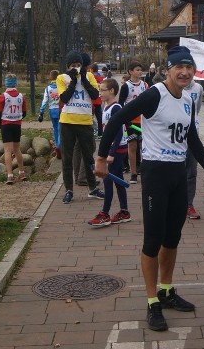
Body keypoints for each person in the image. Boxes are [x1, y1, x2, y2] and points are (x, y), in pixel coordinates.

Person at [95, 46, 204, 332]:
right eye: (179, 67)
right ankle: (152, 301)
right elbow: (117, 119)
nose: (185, 72)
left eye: (189, 68)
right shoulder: (155, 95)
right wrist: (102, 157)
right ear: (168, 69)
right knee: (153, 240)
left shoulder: (189, 97)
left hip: (177, 173)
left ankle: (167, 290)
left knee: (173, 237)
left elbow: (190, 135)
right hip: (155, 173)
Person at [57, 51, 103, 204]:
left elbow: (95, 95)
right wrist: (72, 81)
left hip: (85, 122)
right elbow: (64, 97)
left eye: (78, 65)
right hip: (67, 122)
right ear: (67, 67)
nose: (76, 68)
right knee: (67, 158)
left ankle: (92, 188)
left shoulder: (89, 76)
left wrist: (83, 79)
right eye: (73, 66)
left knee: (89, 156)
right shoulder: (61, 78)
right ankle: (69, 190)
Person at [87, 78, 131, 227]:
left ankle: (105, 214)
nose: (100, 93)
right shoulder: (106, 107)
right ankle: (124, 212)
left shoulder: (116, 108)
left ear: (112, 91)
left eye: (102, 90)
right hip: (112, 149)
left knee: (108, 179)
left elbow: (118, 132)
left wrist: (111, 153)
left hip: (117, 150)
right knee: (117, 180)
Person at [118, 61, 148, 183]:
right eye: (137, 69)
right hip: (131, 121)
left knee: (144, 146)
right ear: (130, 71)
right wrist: (125, 120)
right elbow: (121, 103)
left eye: (140, 69)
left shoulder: (145, 85)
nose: (140, 72)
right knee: (132, 146)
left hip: (144, 120)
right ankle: (133, 173)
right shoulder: (126, 86)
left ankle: (145, 170)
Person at [0, 73, 27, 183]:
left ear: (6, 84)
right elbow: (24, 112)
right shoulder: (21, 96)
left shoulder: (2, 97)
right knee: (17, 149)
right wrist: (18, 117)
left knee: (7, 150)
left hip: (6, 124)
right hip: (17, 124)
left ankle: (10, 175)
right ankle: (22, 173)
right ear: (15, 83)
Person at [184, 77, 204, 220]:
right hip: (175, 138)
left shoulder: (198, 88)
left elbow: (196, 110)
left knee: (191, 171)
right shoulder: (168, 88)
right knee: (175, 172)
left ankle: (188, 204)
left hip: (193, 134)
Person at [38, 69, 61, 154]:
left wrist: (41, 112)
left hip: (52, 110)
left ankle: (56, 145)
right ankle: (59, 146)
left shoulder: (48, 89)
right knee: (60, 129)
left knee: (55, 128)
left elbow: (44, 101)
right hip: (61, 110)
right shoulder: (61, 87)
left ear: (50, 77)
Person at [91, 63, 104, 138]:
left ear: (91, 70)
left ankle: (92, 132)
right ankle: (100, 133)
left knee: (89, 118)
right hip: (98, 100)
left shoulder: (90, 77)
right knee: (99, 118)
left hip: (91, 101)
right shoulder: (101, 79)